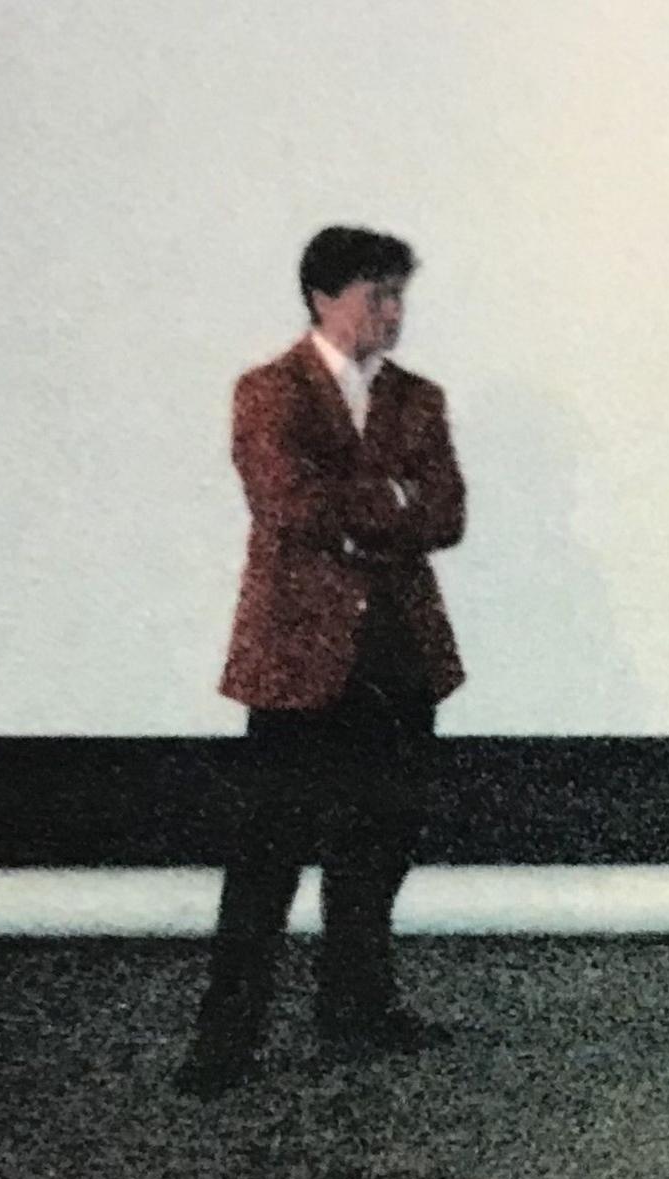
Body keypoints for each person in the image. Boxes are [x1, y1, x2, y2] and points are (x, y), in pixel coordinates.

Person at [180, 224, 467, 1095]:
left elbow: (446, 514)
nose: (394, 312)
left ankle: (357, 1007)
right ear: (321, 297)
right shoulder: (269, 391)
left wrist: (360, 509)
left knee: (379, 845)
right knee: (267, 853)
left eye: (399, 294)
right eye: (376, 294)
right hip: (298, 657)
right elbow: (287, 502)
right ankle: (226, 1038)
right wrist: (388, 500)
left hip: (398, 654)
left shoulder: (418, 398)